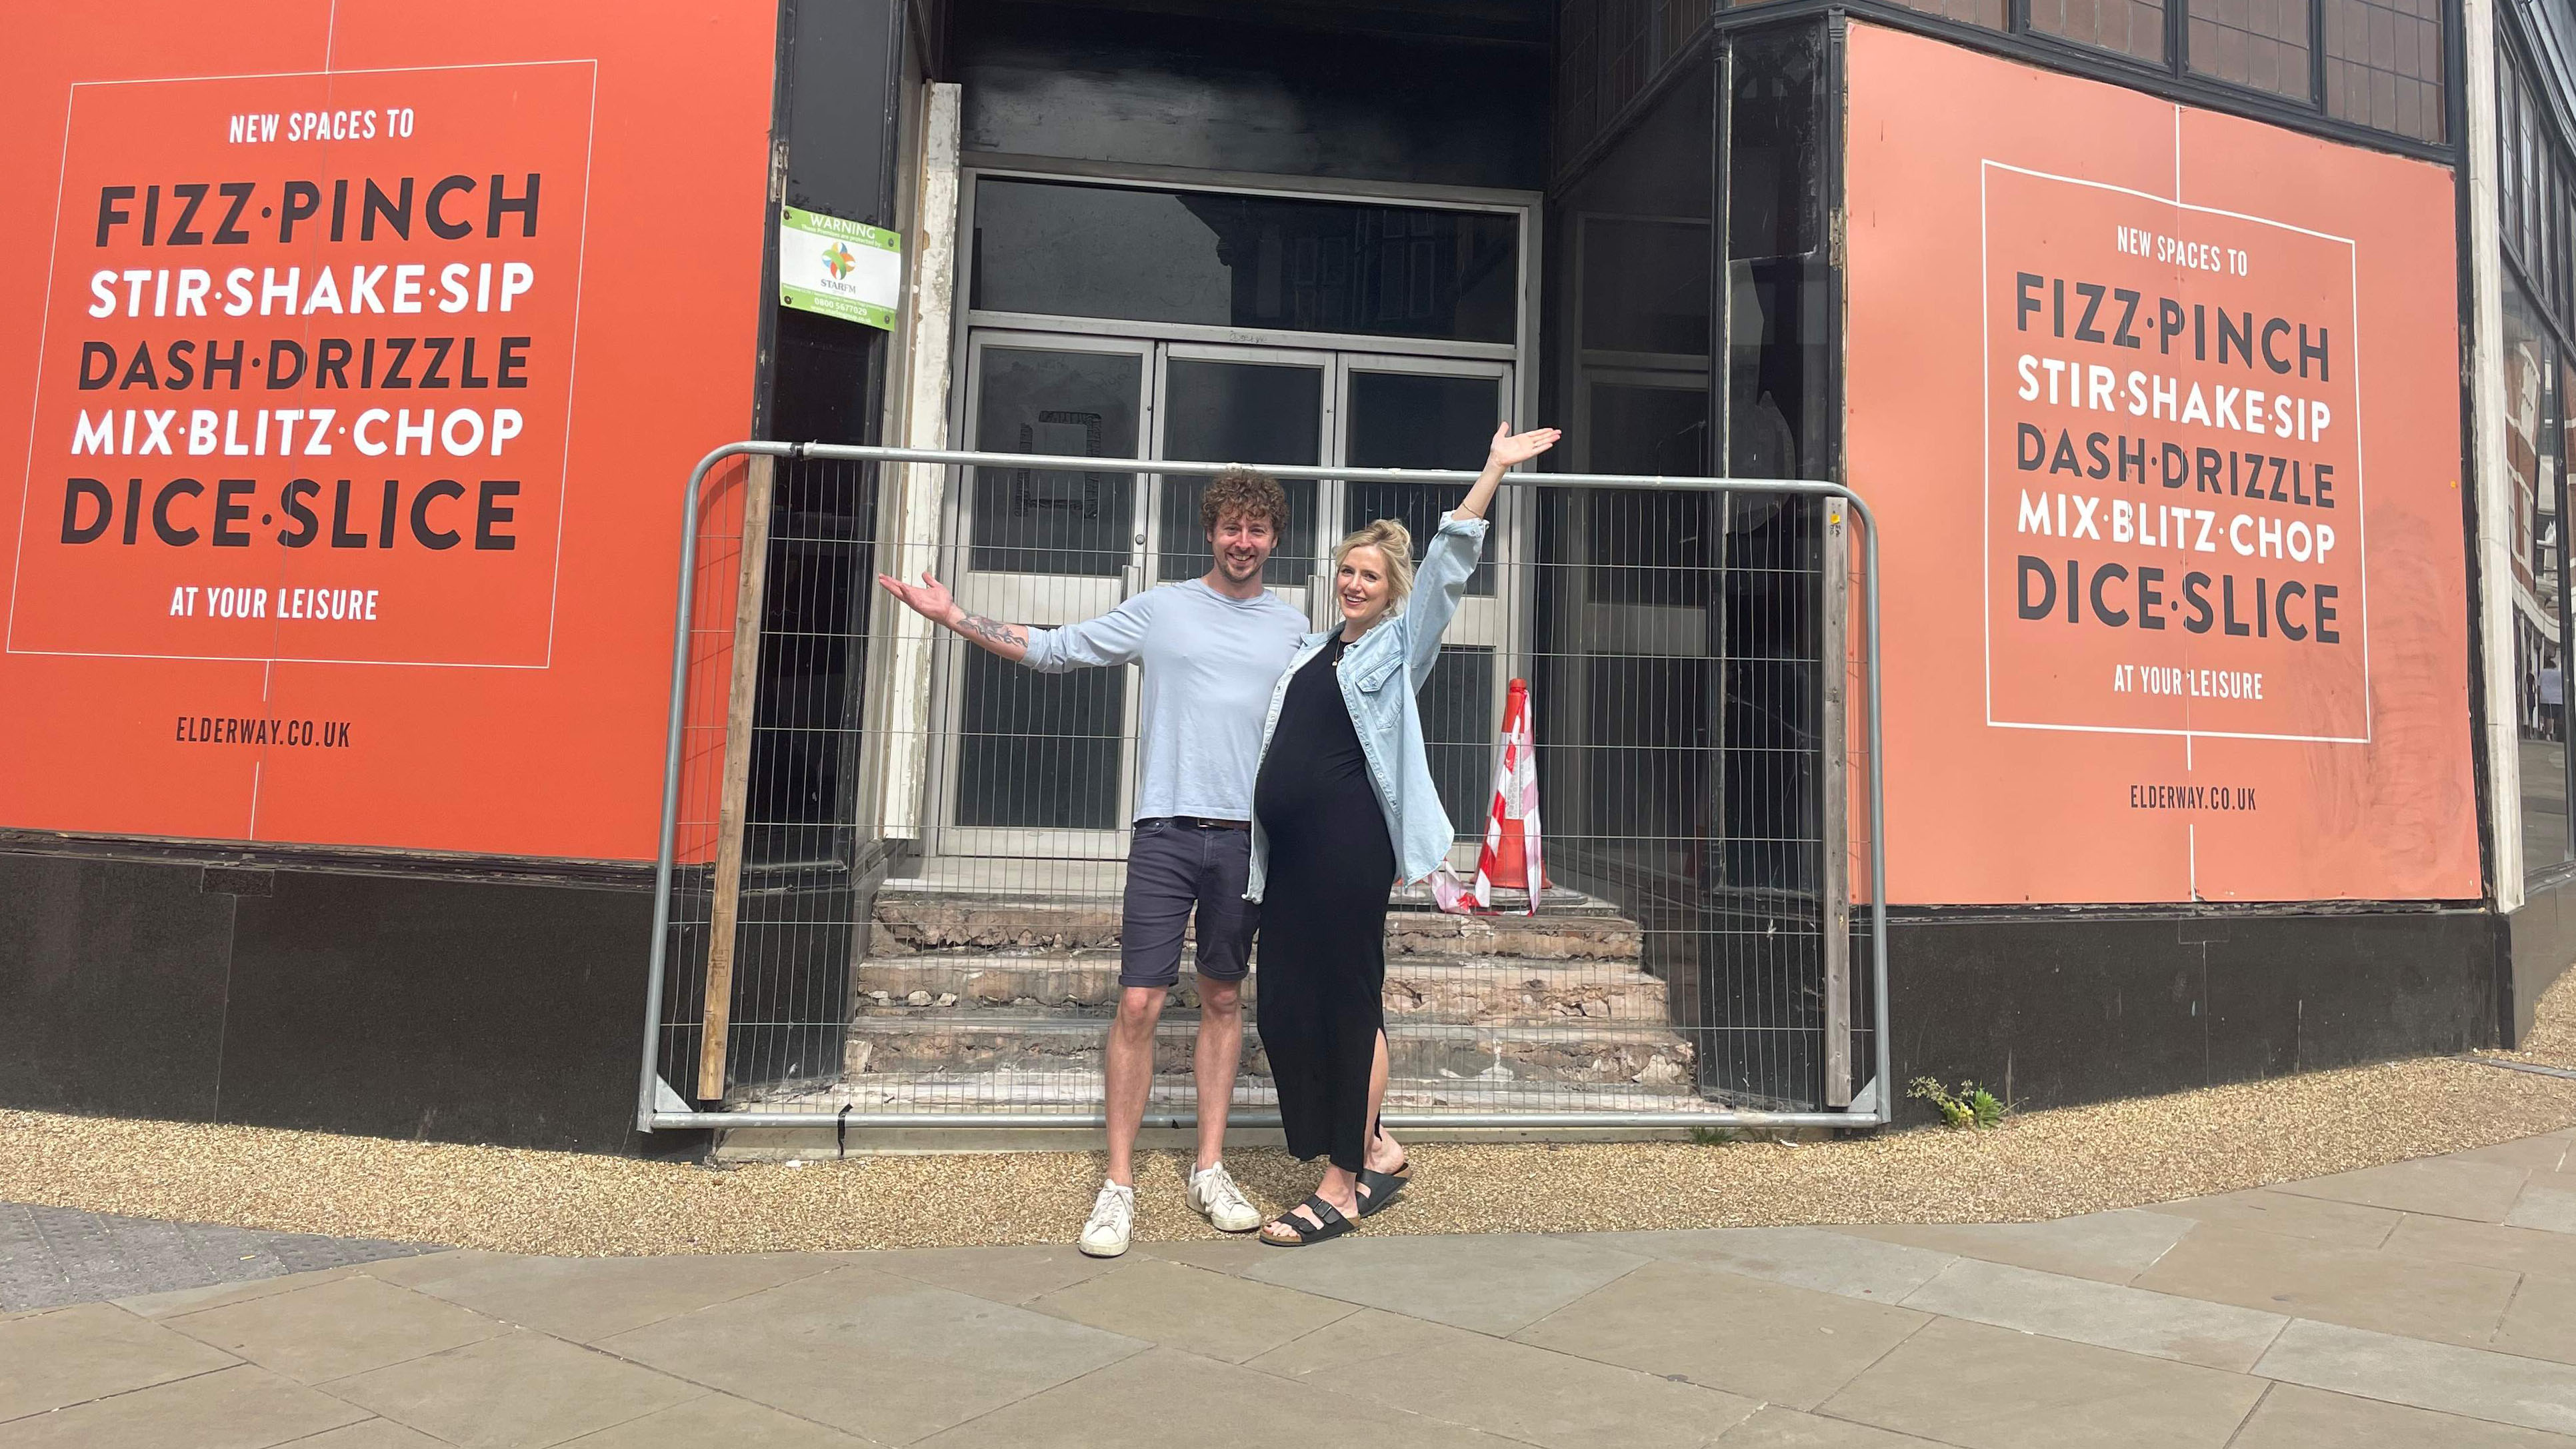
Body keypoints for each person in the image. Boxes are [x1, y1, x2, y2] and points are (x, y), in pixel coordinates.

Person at [875, 468, 1307, 1258]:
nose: (1242, 542)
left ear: (1275, 538)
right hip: (1166, 833)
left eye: (1257, 529)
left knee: (1220, 997)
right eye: (1230, 528)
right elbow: (1057, 649)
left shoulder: (1295, 628)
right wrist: (952, 616)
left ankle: (1210, 1167)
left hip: (1247, 839)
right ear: (1209, 531)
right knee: (1140, 1002)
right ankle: (1119, 1185)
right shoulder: (1163, 609)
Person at [1245, 422, 1562, 1246]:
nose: (1355, 584)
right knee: (1284, 1004)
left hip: (1351, 850)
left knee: (1347, 1002)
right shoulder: (1313, 651)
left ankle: (1344, 1184)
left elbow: (1449, 572)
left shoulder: (1396, 646)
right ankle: (1380, 1142)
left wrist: (1491, 468)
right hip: (1289, 860)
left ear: (1392, 591)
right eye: (1347, 571)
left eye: (1370, 576)